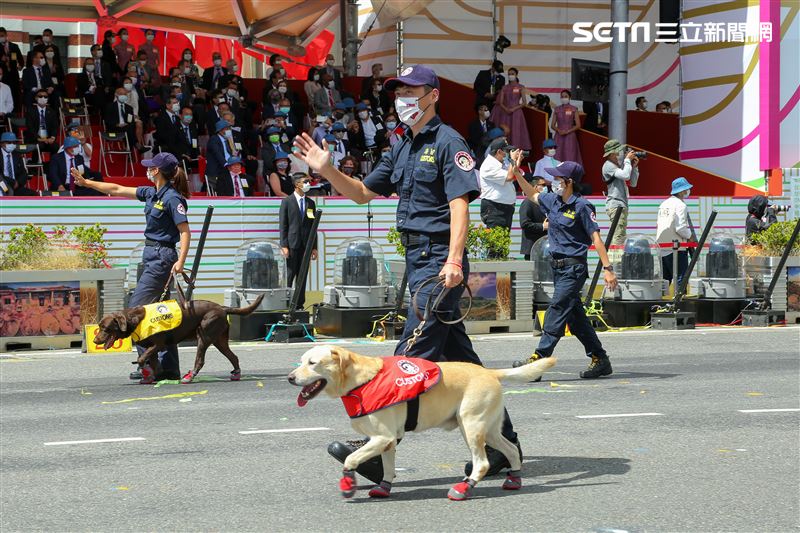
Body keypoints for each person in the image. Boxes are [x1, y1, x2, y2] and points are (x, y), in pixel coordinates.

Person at [293, 64, 523, 492]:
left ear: (433, 95)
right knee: (466, 364)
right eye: (398, 91)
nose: (402, 98)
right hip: (417, 257)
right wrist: (326, 169)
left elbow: (460, 205)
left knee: (408, 350)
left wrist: (454, 260)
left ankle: (374, 455)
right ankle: (502, 447)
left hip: (439, 261)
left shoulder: (450, 141)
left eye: (412, 90)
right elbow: (362, 192)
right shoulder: (400, 144)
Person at [69, 153, 191, 383]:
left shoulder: (173, 198)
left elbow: (185, 231)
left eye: (150, 167)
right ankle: (168, 367)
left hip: (162, 256)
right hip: (151, 255)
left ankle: (148, 363)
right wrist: (86, 183)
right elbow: (115, 188)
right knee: (158, 313)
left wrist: (181, 262)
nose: (147, 170)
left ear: (157, 171)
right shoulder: (151, 192)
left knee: (135, 311)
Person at [514, 160, 618, 379]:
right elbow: (532, 194)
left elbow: (596, 239)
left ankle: (539, 361)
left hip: (574, 269)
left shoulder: (582, 206)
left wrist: (608, 268)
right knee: (575, 318)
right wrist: (517, 174)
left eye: (558, 179)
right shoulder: (553, 201)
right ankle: (601, 359)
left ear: (569, 182)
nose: (554, 183)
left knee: (557, 308)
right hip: (558, 269)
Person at [279, 172, 318, 310]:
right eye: (305, 181)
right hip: (292, 244)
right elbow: (283, 225)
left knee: (303, 275)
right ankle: (286, 302)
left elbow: (314, 225)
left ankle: (299, 303)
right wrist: (284, 245)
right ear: (297, 184)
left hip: (306, 245)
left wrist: (314, 247)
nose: (308, 184)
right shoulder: (287, 201)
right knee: (290, 274)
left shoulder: (310, 203)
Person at [656, 177, 695, 288]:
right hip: (677, 247)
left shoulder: (663, 204)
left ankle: (660, 304)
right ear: (682, 190)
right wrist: (690, 236)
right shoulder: (681, 205)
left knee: (664, 281)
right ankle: (679, 303)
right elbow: (681, 228)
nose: (688, 191)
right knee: (681, 279)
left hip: (662, 247)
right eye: (686, 189)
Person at [601, 139, 639, 248]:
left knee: (620, 235)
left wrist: (635, 167)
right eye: (618, 151)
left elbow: (633, 183)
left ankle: (615, 262)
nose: (620, 153)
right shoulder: (608, 165)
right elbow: (626, 175)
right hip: (616, 205)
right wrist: (627, 160)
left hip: (620, 205)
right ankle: (616, 263)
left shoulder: (616, 165)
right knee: (619, 237)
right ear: (612, 152)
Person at [479, 138, 518, 232]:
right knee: (495, 244)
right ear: (499, 151)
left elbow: (516, 174)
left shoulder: (501, 163)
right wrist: (513, 160)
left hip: (504, 208)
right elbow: (509, 176)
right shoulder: (489, 165)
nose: (508, 153)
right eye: (507, 151)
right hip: (495, 209)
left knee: (503, 243)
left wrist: (517, 160)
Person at [489, 67, 532, 150]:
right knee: (505, 131)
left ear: (516, 75)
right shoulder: (504, 87)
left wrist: (513, 109)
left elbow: (524, 102)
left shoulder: (521, 87)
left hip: (516, 113)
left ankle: (516, 150)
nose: (510, 75)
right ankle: (505, 148)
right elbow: (500, 102)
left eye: (512, 74)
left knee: (516, 131)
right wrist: (506, 109)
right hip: (505, 112)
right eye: (509, 74)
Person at [24, 89, 58, 168]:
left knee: (55, 146)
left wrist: (52, 137)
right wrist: (40, 139)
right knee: (40, 145)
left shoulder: (52, 111)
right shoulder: (30, 111)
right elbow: (30, 128)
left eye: (45, 96)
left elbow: (55, 127)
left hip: (48, 139)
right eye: (40, 96)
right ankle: (34, 166)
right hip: (35, 139)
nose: (43, 98)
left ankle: (51, 166)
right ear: (36, 98)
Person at [519, 175, 549, 260]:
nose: (546, 187)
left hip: (545, 248)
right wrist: (543, 226)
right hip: (532, 249)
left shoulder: (545, 202)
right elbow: (524, 224)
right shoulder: (527, 202)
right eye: (543, 185)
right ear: (535, 187)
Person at [550, 89, 582, 164]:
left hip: (570, 136)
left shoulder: (574, 109)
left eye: (566, 96)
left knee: (570, 155)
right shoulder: (557, 109)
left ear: (569, 97)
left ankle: (570, 174)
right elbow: (552, 125)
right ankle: (557, 174)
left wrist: (568, 131)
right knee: (557, 155)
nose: (564, 98)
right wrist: (559, 130)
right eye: (562, 96)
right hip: (559, 135)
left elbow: (578, 125)